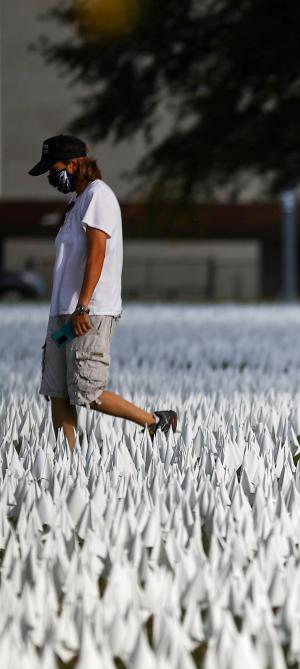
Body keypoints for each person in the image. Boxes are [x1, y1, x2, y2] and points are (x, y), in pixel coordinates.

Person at [30, 134, 177, 448]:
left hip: (89, 312)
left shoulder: (99, 196)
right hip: (62, 314)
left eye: (53, 168)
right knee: (57, 391)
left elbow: (98, 253)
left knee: (88, 392)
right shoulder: (75, 204)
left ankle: (156, 422)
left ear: (73, 163)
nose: (50, 176)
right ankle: (65, 456)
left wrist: (83, 306)